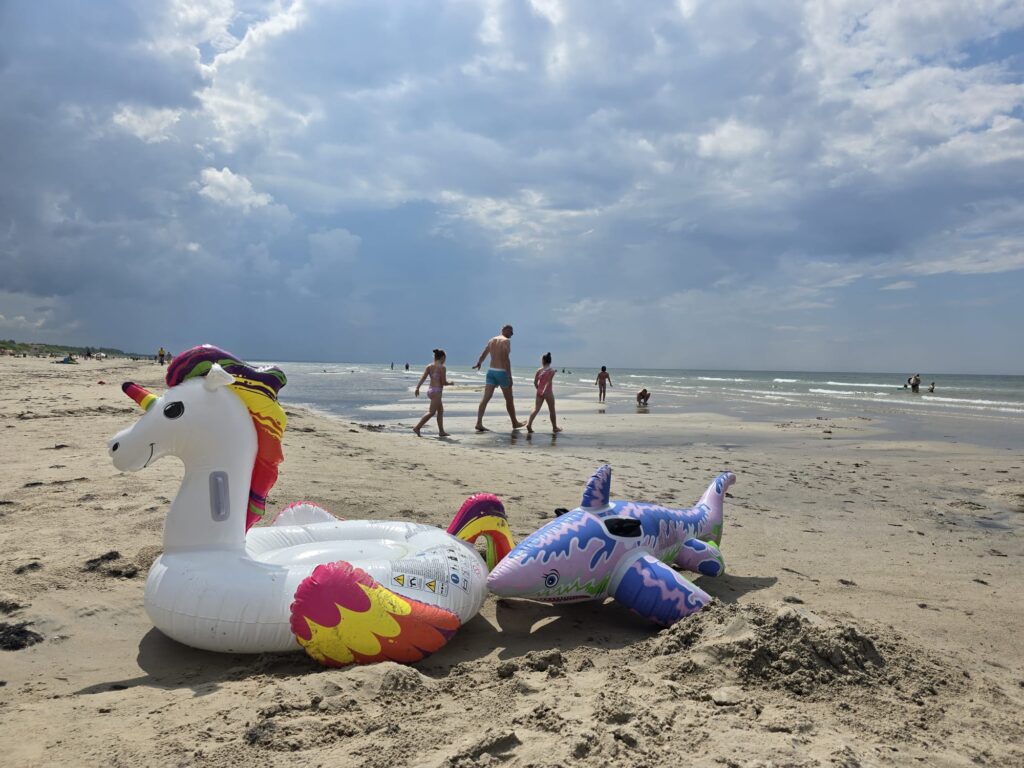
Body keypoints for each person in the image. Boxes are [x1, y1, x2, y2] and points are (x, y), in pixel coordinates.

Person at [472, 324, 525, 431]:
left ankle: (479, 423)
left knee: (485, 398)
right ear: (504, 330)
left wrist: (479, 363)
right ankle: (514, 423)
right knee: (509, 399)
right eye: (511, 331)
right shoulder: (506, 341)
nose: (512, 334)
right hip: (501, 373)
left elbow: (484, 353)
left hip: (491, 372)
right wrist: (509, 376)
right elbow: (505, 359)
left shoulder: (492, 340)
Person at [413, 349, 452, 437]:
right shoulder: (442, 368)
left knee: (440, 411)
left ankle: (441, 431)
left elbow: (423, 377)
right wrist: (450, 383)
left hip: (430, 390)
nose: (445, 360)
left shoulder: (429, 366)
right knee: (431, 412)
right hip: (437, 392)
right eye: (445, 358)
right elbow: (443, 382)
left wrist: (417, 388)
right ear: (442, 357)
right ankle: (417, 427)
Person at [526, 352, 562, 434]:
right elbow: (548, 382)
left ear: (543, 361)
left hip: (539, 392)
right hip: (548, 392)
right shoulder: (552, 371)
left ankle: (529, 424)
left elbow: (535, 382)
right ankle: (555, 427)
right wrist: (544, 391)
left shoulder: (539, 370)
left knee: (536, 409)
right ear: (550, 361)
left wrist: (539, 390)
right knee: (552, 410)